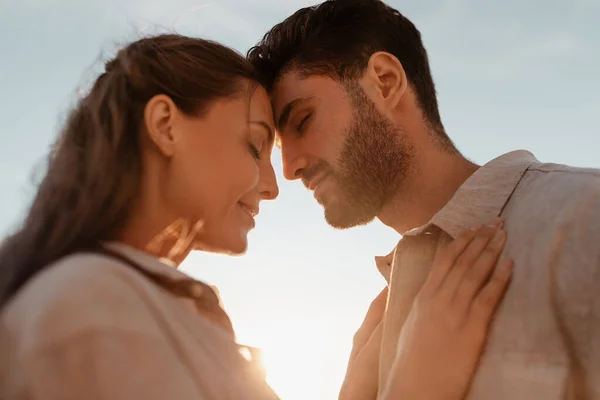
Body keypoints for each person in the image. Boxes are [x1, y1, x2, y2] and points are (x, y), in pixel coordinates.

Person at [0, 33, 511, 400]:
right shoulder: (89, 307)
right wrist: (420, 385)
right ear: (165, 126)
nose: (272, 185)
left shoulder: (153, 309)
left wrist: (357, 392)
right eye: (254, 145)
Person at [247, 0, 600, 399]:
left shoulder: (584, 216)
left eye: (303, 120)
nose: (290, 167)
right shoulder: (376, 332)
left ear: (384, 81)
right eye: (279, 145)